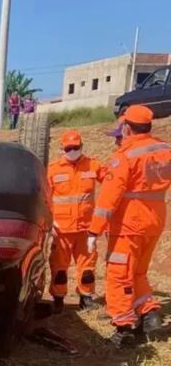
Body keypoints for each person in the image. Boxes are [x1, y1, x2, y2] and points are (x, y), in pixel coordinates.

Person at [87, 104, 171, 347]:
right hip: (155, 221)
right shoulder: (164, 150)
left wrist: (95, 230)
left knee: (119, 274)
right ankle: (150, 313)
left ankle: (124, 327)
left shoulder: (124, 157)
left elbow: (107, 200)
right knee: (138, 272)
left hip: (129, 225)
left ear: (127, 127)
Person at [46, 130, 106, 312]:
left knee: (87, 268)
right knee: (59, 269)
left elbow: (112, 184)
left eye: (76, 147)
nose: (73, 150)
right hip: (61, 230)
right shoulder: (52, 169)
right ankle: (58, 299)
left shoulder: (93, 165)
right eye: (69, 148)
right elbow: (44, 198)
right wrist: (50, 222)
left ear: (82, 146)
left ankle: (86, 297)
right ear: (62, 148)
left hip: (86, 229)